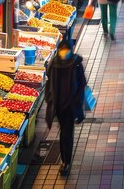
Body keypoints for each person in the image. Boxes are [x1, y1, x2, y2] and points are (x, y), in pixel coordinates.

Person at [45, 39, 87, 176]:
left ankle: (66, 162)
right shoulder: (54, 64)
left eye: (66, 50)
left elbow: (82, 83)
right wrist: (50, 101)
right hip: (58, 105)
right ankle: (65, 160)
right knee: (65, 132)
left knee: (66, 133)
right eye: (62, 50)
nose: (64, 52)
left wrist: (77, 101)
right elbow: (49, 83)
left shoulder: (76, 64)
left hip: (70, 105)